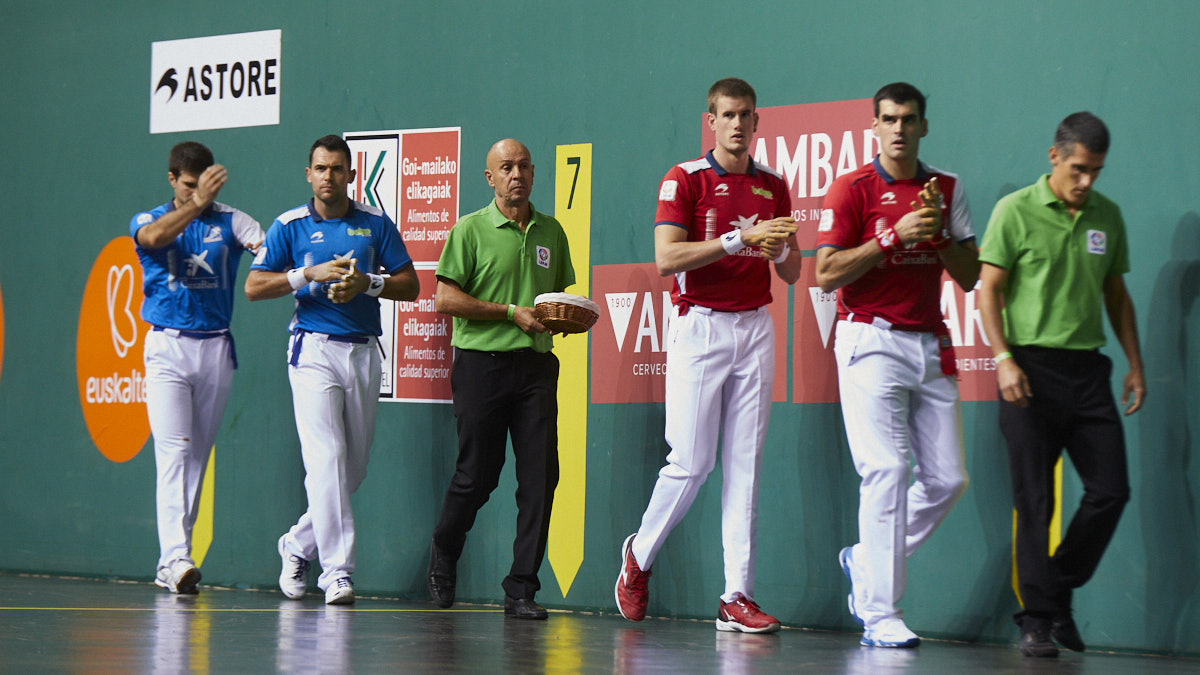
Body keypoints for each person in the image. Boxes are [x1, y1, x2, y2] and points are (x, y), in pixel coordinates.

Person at [614, 77, 801, 634]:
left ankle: (735, 595)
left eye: (747, 115)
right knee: (692, 463)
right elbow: (668, 258)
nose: (739, 124)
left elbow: (791, 271)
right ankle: (638, 557)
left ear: (756, 121)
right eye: (728, 115)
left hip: (756, 329)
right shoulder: (685, 180)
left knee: (746, 467)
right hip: (700, 329)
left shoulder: (773, 186)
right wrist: (739, 241)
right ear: (711, 121)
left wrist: (780, 246)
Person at [815, 82, 978, 647]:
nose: (899, 128)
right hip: (870, 341)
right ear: (875, 126)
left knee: (948, 479)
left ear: (923, 126)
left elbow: (970, 275)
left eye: (909, 119)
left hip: (930, 343)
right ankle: (880, 614)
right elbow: (826, 274)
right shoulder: (853, 189)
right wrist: (890, 236)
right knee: (884, 471)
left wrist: (938, 236)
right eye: (889, 119)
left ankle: (866, 559)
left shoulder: (946, 188)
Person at [978, 112, 1142, 658]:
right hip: (1027, 370)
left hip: (1088, 373)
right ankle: (1037, 621)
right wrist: (1002, 359)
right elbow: (987, 291)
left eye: (1096, 171)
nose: (1087, 181)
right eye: (1078, 169)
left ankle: (1057, 587)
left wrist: (1135, 364)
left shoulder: (1107, 216)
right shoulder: (1015, 211)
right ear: (1055, 157)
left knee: (1112, 490)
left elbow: (1116, 294)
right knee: (1036, 501)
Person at [245, 134, 419, 605]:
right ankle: (337, 572)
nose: (328, 176)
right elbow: (254, 286)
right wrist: (308, 274)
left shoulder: (375, 223)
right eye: (320, 168)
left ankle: (297, 544)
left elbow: (412, 284)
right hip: (312, 350)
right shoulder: (290, 225)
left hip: (363, 351)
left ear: (351, 174)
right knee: (326, 458)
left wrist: (368, 283)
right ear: (309, 174)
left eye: (337, 169)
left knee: (352, 469)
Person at [425, 139, 575, 620]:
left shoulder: (552, 230)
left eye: (525, 166)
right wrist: (511, 313)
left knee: (540, 479)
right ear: (489, 178)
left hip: (535, 368)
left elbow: (551, 302)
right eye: (506, 168)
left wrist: (564, 319)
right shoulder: (469, 229)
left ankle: (522, 589)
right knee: (477, 478)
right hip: (480, 366)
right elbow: (445, 300)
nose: (517, 175)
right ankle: (445, 551)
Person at [132, 141, 264, 595]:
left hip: (215, 348)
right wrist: (198, 204)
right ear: (173, 180)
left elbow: (264, 248)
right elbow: (152, 240)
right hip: (166, 348)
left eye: (202, 184)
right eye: (188, 185)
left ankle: (174, 558)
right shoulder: (148, 220)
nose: (195, 192)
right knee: (172, 451)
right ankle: (175, 557)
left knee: (196, 456)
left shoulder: (231, 219)